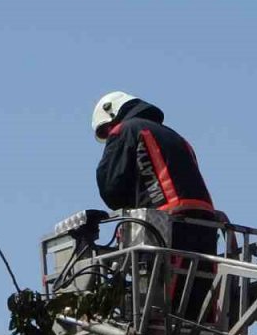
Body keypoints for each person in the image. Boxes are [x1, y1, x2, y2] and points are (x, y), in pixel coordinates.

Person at [91, 91, 219, 322]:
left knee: (160, 315)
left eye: (106, 130)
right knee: (195, 313)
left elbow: (111, 187)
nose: (109, 134)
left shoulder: (125, 130)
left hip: (167, 227)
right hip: (206, 226)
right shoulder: (176, 137)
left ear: (113, 114)